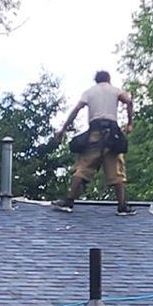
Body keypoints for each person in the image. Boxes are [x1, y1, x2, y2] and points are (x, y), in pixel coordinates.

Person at [58, 69, 134, 212]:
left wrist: (63, 129)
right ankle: (122, 206)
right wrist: (130, 123)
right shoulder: (115, 91)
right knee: (117, 172)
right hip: (112, 134)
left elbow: (76, 110)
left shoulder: (89, 92)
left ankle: (69, 201)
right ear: (108, 79)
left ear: (96, 81)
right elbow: (129, 101)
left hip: (94, 133)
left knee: (83, 168)